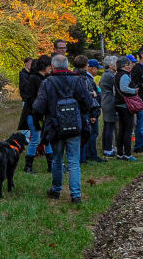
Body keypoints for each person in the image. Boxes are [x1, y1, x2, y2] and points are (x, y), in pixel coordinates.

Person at [32, 54, 94, 203]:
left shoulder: (48, 83)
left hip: (55, 126)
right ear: (67, 66)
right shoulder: (77, 80)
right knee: (74, 161)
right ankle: (76, 194)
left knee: (57, 160)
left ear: (53, 67)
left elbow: (38, 106)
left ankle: (56, 189)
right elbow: (88, 102)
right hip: (74, 124)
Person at [21, 54, 50, 173]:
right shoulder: (34, 79)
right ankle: (28, 166)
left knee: (47, 138)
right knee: (35, 138)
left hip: (42, 113)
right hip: (33, 113)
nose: (51, 68)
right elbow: (29, 97)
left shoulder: (44, 78)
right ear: (44, 66)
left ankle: (51, 164)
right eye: (49, 65)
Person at [75, 56, 103, 164]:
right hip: (87, 110)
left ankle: (86, 155)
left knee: (87, 134)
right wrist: (93, 113)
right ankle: (86, 156)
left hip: (87, 110)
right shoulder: (84, 78)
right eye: (87, 65)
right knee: (88, 134)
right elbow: (86, 96)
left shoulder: (84, 77)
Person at [113, 57, 139, 161]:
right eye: (128, 64)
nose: (129, 66)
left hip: (119, 104)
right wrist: (134, 90)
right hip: (125, 105)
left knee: (122, 130)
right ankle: (128, 154)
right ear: (123, 66)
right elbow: (124, 88)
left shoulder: (117, 75)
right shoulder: (124, 75)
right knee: (128, 130)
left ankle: (120, 153)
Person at [100, 56, 118, 158]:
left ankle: (107, 147)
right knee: (109, 126)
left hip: (106, 101)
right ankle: (108, 148)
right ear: (111, 65)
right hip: (110, 102)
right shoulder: (110, 76)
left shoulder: (105, 75)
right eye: (116, 63)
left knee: (107, 125)